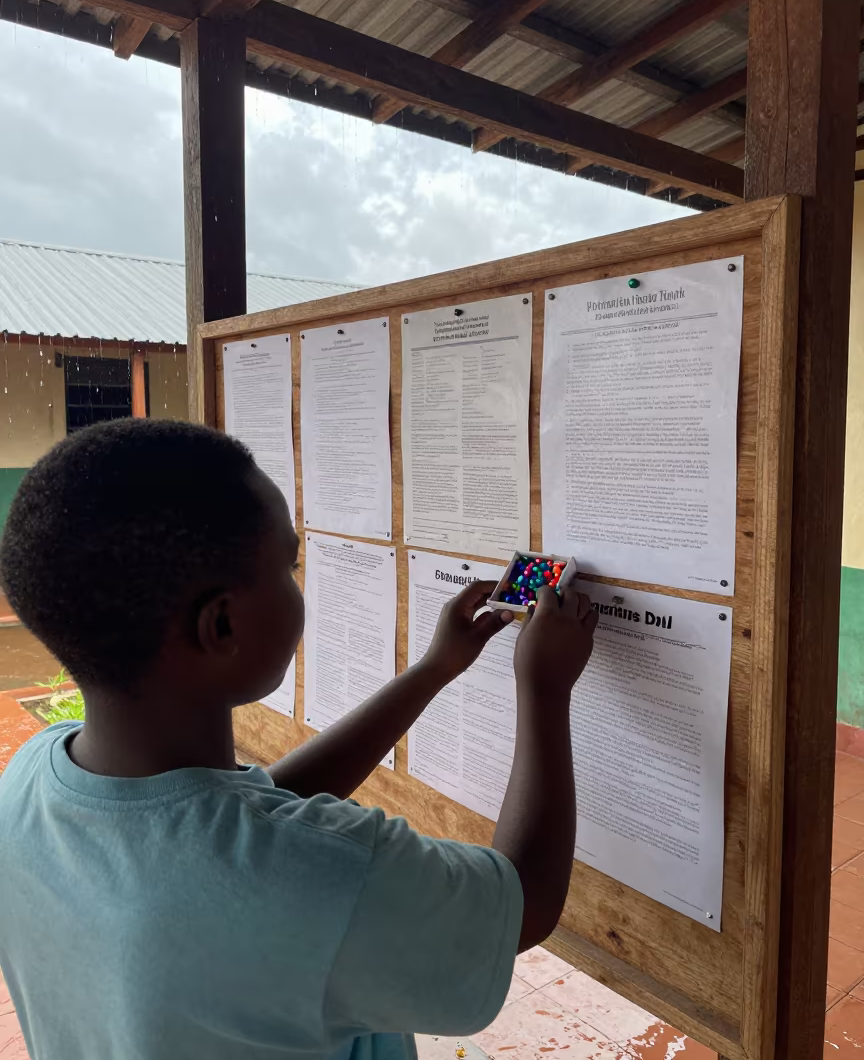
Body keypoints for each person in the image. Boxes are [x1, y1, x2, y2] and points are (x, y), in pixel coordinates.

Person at [0, 419, 598, 1060]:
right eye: (288, 565)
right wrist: (544, 689)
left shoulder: (32, 778)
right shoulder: (323, 873)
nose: (297, 580)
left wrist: (433, 671)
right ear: (222, 623)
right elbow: (524, 904)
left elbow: (238, 817)